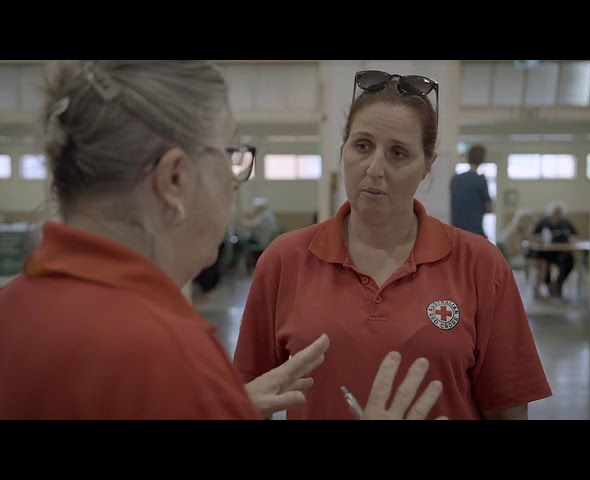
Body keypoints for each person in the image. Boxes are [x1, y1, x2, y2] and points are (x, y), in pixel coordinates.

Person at [0, 61, 444, 420]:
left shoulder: (15, 307)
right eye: (231, 155)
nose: (235, 182)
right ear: (175, 179)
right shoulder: (163, 356)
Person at [233, 69, 552, 420]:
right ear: (344, 149)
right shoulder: (284, 260)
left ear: (427, 165)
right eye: (362, 146)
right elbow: (250, 400)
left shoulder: (480, 265)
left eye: (398, 153)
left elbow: (508, 409)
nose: (374, 168)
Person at [531, 200, 579, 298]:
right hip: (545, 252)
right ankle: (549, 285)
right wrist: (540, 239)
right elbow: (533, 237)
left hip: (561, 252)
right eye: (555, 213)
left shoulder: (565, 223)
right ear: (550, 213)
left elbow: (575, 237)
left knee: (569, 260)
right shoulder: (542, 222)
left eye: (559, 213)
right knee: (543, 262)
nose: (557, 215)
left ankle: (558, 284)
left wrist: (571, 239)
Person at [450, 144, 494, 237]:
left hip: (456, 231)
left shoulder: (456, 179)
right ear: (482, 159)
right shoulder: (480, 180)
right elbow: (489, 208)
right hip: (474, 231)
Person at [242, 196, 280, 269]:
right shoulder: (268, 214)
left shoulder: (265, 216)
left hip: (262, 241)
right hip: (267, 240)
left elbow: (253, 225)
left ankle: (249, 266)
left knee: (242, 243)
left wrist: (242, 222)